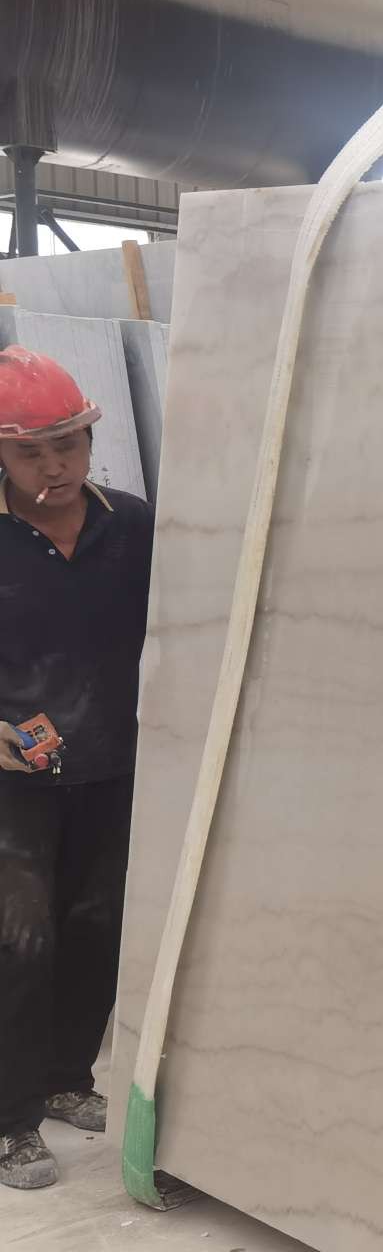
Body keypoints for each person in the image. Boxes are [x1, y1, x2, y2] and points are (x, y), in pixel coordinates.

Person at [0, 345, 152, 1190]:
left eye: (67, 445)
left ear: (91, 440)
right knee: (21, 942)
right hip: (13, 780)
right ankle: (9, 1120)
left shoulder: (131, 526)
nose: (53, 467)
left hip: (112, 763)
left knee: (99, 927)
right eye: (29, 452)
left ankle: (66, 1079)